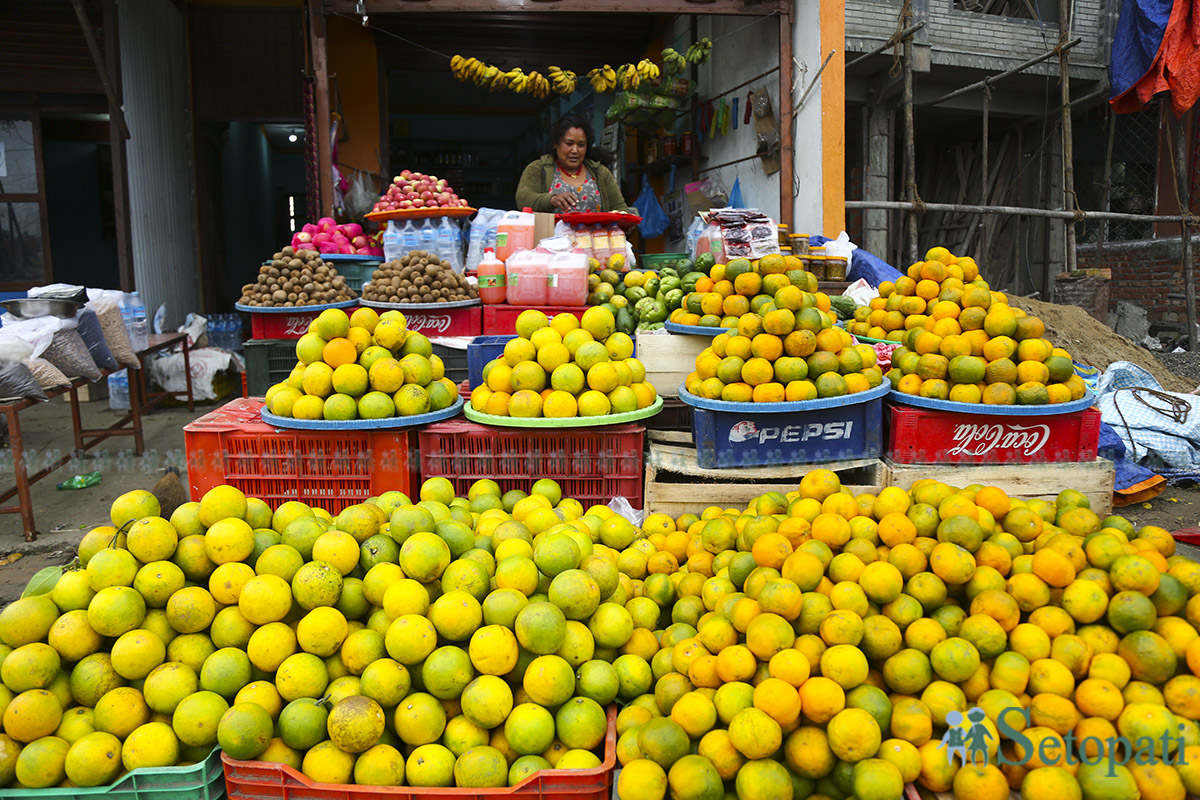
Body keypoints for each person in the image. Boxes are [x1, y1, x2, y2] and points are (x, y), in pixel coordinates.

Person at [516, 114, 629, 213]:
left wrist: (625, 220)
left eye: (581, 145)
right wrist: (551, 200)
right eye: (569, 143)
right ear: (555, 143)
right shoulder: (539, 168)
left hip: (594, 237)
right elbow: (523, 199)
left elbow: (620, 207)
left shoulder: (599, 171)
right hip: (552, 237)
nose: (575, 150)